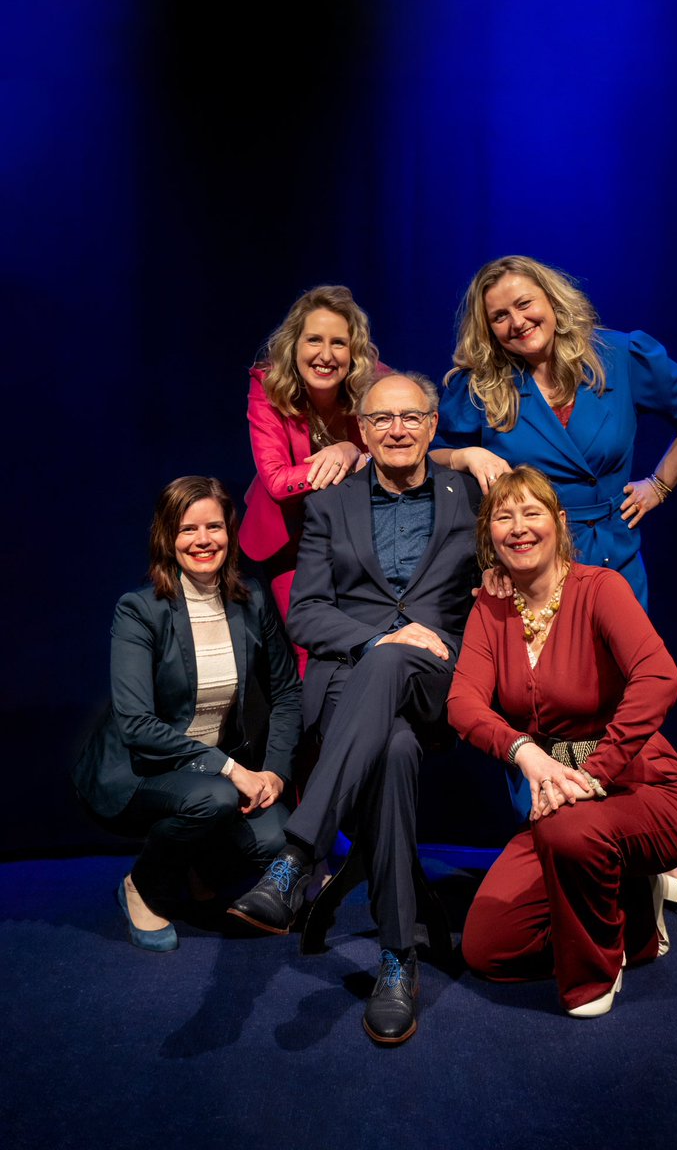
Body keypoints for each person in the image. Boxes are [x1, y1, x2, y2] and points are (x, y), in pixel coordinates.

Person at [432, 254, 677, 918]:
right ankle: (559, 834)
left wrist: (659, 483)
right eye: (497, 315)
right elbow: (422, 453)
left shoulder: (616, 358)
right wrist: (467, 452)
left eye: (523, 304)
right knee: (536, 702)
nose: (515, 321)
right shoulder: (479, 385)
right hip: (527, 562)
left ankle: (653, 849)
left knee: (625, 700)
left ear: (551, 300)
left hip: (610, 558)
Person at [228, 373, 482, 1044]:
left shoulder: (471, 497)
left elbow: (498, 588)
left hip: (434, 678)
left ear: (432, 426)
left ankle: (296, 855)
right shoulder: (330, 504)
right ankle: (398, 959)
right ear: (361, 432)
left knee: (399, 660)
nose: (396, 429)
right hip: (347, 681)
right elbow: (306, 613)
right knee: (392, 749)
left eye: (410, 417)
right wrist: (376, 637)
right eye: (381, 419)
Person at [447, 467, 677, 1017]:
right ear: (488, 535)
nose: (518, 527)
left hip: (642, 785)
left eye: (532, 513)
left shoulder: (600, 589)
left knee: (568, 828)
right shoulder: (491, 608)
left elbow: (660, 677)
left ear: (560, 524)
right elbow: (463, 705)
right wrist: (525, 752)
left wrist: (596, 773)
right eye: (503, 516)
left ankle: (595, 974)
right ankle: (636, 908)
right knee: (488, 949)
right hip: (559, 798)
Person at [73, 476, 303, 952]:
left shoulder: (252, 598)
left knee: (276, 841)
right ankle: (142, 887)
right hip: (141, 770)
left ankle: (199, 862)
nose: (203, 540)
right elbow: (137, 725)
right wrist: (233, 769)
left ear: (229, 531)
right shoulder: (139, 610)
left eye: (214, 526)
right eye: (187, 529)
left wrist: (276, 773)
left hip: (216, 771)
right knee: (215, 799)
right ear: (166, 537)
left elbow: (286, 694)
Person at [239, 284, 389, 674]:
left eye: (338, 343)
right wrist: (344, 456)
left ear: (354, 351)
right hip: (289, 539)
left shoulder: (379, 385)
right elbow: (275, 481)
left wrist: (358, 451)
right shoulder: (267, 385)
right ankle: (321, 734)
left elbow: (406, 451)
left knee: (369, 637)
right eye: (314, 340)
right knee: (312, 647)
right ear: (295, 345)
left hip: (357, 535)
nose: (325, 355)